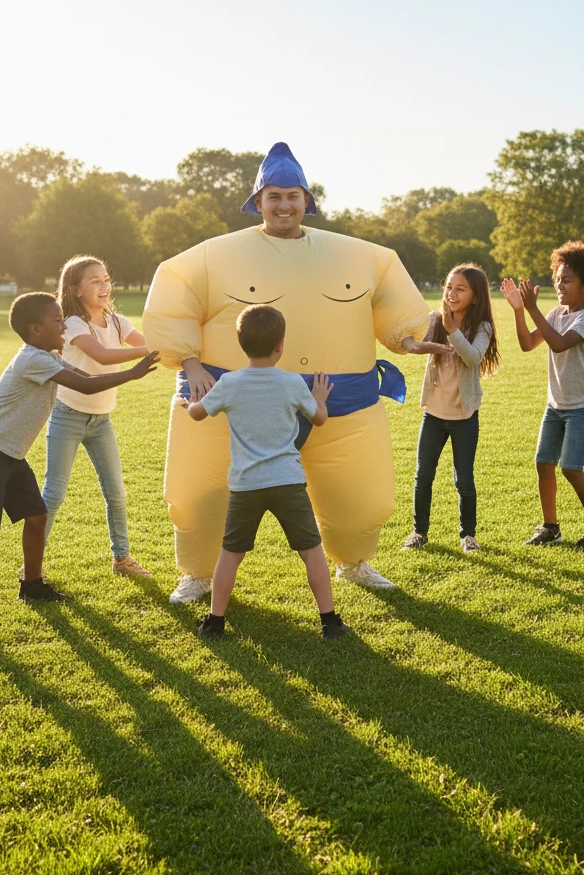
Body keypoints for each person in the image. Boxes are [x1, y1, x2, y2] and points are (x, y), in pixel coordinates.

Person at [142, 142, 430, 602]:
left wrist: (407, 336)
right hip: (235, 401)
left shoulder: (361, 256)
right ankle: (198, 574)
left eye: (292, 196)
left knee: (364, 502)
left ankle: (354, 562)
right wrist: (189, 360)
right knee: (201, 497)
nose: (283, 205)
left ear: (307, 202)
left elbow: (395, 299)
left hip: (340, 403)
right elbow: (173, 293)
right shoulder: (212, 256)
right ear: (258, 203)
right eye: (273, 196)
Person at [0, 292, 159, 623]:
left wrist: (128, 372)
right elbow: (84, 387)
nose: (63, 327)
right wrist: (132, 373)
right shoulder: (33, 359)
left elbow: (85, 378)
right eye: (56, 321)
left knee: (37, 516)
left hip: (10, 453)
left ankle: (33, 585)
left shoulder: (50, 354)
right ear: (35, 329)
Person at [186, 304, 349, 640]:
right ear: (281, 345)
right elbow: (319, 419)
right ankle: (330, 622)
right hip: (288, 481)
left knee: (231, 554)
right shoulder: (291, 383)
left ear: (240, 343)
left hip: (246, 485)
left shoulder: (229, 384)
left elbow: (197, 414)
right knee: (311, 552)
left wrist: (190, 401)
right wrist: (319, 398)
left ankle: (215, 623)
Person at [41, 255, 155, 579]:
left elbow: (144, 342)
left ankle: (122, 559)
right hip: (68, 416)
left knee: (116, 493)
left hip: (101, 420)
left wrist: (170, 344)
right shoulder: (74, 324)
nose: (104, 286)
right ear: (76, 290)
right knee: (53, 494)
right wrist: (147, 352)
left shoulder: (116, 321)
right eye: (95, 281)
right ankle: (31, 565)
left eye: (106, 279)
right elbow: (102, 355)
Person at [500, 240, 584, 548]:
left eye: (567, 279)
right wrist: (519, 311)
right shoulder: (555, 312)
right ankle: (550, 527)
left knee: (571, 467)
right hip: (556, 403)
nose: (558, 284)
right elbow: (528, 344)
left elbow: (560, 343)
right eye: (557, 277)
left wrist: (533, 308)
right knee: (543, 462)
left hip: (583, 405)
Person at [401, 263, 500, 554]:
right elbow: (415, 343)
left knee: (464, 479)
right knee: (423, 475)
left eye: (460, 288)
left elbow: (472, 357)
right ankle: (419, 533)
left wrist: (452, 331)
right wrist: (415, 343)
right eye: (449, 287)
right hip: (433, 414)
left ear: (476, 296)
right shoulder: (435, 319)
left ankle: (468, 536)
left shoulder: (482, 327)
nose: (452, 293)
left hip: (463, 416)